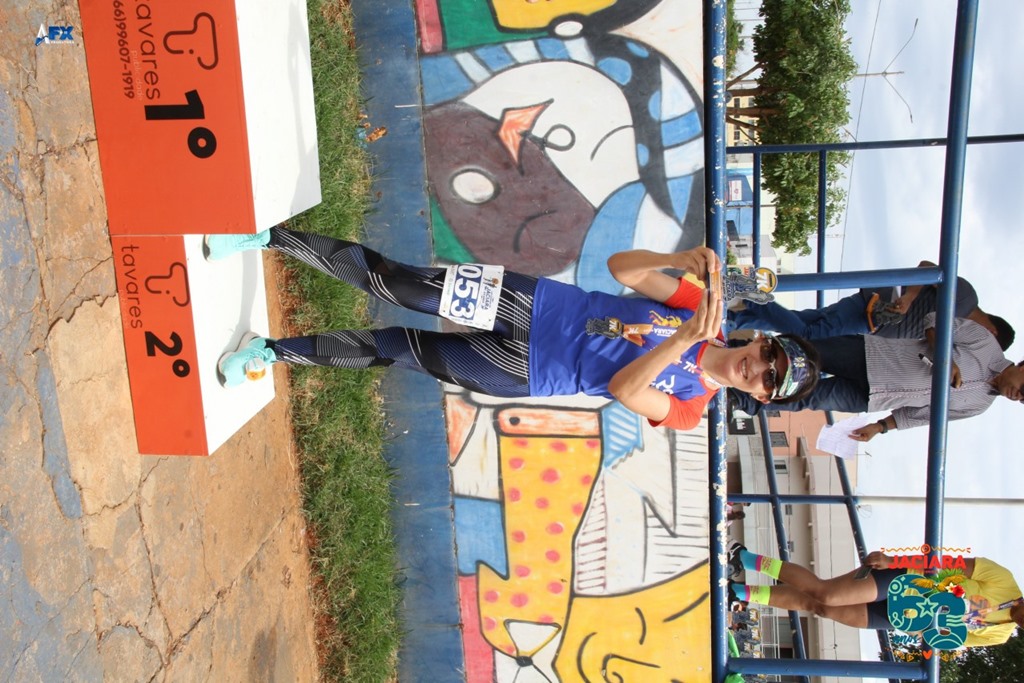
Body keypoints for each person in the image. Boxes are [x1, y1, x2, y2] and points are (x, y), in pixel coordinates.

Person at [205, 226, 821, 430]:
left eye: (769, 381)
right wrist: (676, 259)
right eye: (769, 356)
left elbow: (626, 390)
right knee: (401, 284)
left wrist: (683, 344)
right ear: (760, 340)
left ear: (762, 397)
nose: (759, 370)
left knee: (396, 348)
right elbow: (620, 270)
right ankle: (268, 238)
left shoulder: (689, 408)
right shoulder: (697, 307)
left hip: (528, 371)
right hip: (535, 304)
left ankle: (271, 352)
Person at [728, 313, 1024, 442]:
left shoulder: (979, 406)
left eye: (1022, 400)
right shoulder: (985, 343)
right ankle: (730, 352)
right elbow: (935, 320)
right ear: (1022, 367)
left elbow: (923, 416)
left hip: (872, 398)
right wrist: (944, 357)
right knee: (797, 354)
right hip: (869, 355)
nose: (1018, 396)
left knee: (804, 397)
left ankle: (738, 398)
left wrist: (880, 427)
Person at [727, 545, 1024, 648]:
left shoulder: (999, 635)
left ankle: (740, 592)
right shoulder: (1004, 580)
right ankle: (746, 558)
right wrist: (894, 560)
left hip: (903, 617)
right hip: (904, 581)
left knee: (821, 608)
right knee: (826, 593)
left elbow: (949, 639)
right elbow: (946, 563)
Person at [731, 260, 1015, 351]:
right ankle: (752, 294)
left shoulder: (958, 331)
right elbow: (928, 267)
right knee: (808, 334)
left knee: (802, 321)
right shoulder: (966, 299)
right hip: (874, 309)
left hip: (873, 321)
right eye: (987, 343)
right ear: (991, 332)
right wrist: (909, 298)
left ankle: (736, 319)